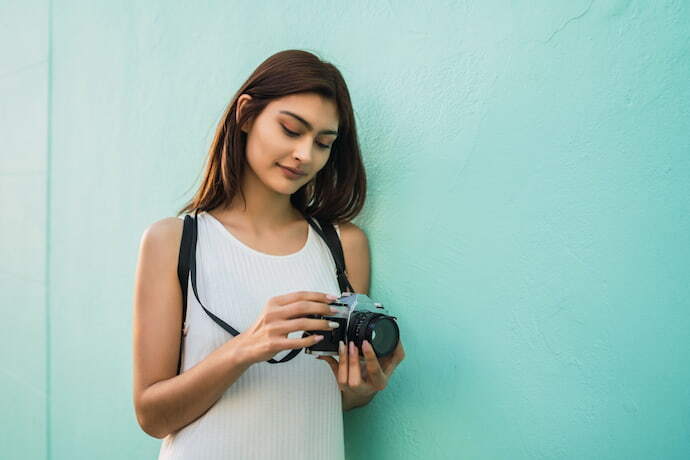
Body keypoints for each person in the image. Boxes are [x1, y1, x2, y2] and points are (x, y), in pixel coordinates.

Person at [132, 49, 405, 459]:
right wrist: (247, 346)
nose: (305, 155)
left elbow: (331, 397)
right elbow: (152, 416)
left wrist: (361, 389)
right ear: (246, 114)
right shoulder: (173, 240)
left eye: (323, 143)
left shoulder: (343, 247)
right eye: (291, 130)